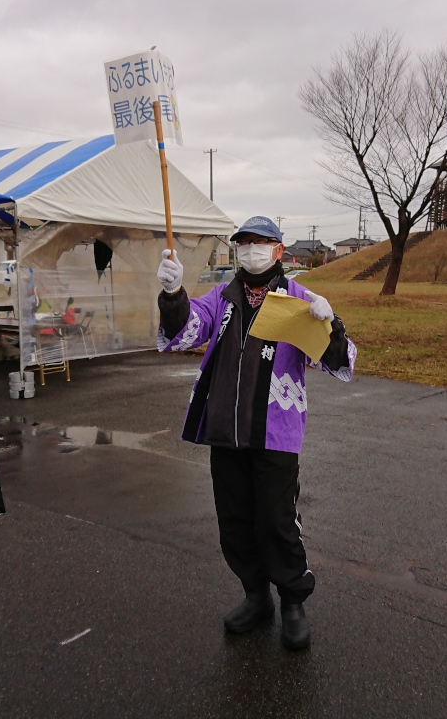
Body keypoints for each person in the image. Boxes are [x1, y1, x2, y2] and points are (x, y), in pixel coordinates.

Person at [156, 216, 355, 651]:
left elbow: (337, 361)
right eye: (242, 243)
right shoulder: (221, 298)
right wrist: (173, 295)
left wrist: (330, 322)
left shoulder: (300, 299)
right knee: (235, 519)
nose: (250, 251)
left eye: (260, 243)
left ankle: (292, 603)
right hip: (225, 429)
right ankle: (255, 595)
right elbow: (187, 330)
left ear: (278, 250)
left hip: (276, 433)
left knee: (277, 519)